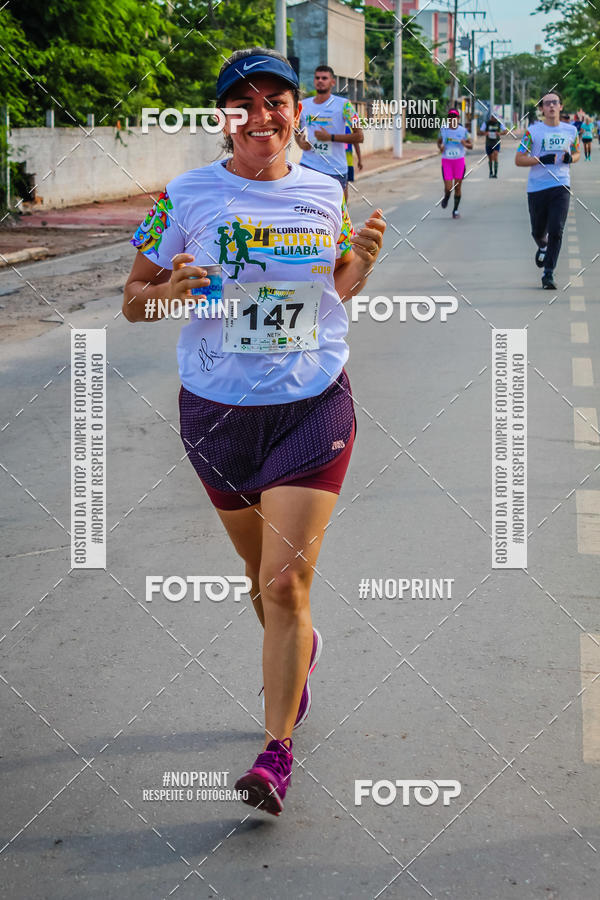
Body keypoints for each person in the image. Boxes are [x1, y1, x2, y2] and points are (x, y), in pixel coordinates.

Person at [123, 46, 385, 817]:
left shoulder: (326, 191)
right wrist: (168, 288)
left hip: (313, 403)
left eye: (278, 100)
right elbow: (134, 301)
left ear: (298, 111)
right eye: (245, 102)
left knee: (284, 581)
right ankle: (297, 647)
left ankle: (275, 752)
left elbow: (332, 292)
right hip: (216, 413)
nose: (263, 115)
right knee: (258, 580)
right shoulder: (178, 197)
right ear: (224, 118)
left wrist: (358, 267)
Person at [515, 90, 580, 290]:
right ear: (542, 109)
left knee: (556, 230)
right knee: (537, 231)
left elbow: (576, 152)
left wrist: (572, 159)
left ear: (561, 106)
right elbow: (519, 159)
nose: (551, 106)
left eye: (555, 102)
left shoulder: (571, 131)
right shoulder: (533, 132)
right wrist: (539, 160)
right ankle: (542, 246)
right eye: (547, 103)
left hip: (561, 185)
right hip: (537, 188)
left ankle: (548, 273)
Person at [295, 65, 363, 198]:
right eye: (317, 78)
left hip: (335, 169)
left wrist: (330, 137)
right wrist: (299, 141)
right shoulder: (303, 105)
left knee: (339, 213)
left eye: (324, 78)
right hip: (308, 166)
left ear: (332, 82)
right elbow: (296, 128)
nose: (320, 80)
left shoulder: (345, 105)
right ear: (314, 81)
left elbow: (359, 136)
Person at [437, 109, 473, 218]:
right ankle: (447, 197)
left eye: (455, 117)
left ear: (458, 119)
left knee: (457, 187)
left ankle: (455, 210)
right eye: (450, 117)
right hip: (447, 161)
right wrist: (440, 147)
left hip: (459, 162)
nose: (452, 119)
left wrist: (464, 143)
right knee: (448, 188)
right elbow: (439, 142)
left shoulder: (463, 131)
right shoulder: (443, 130)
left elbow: (471, 146)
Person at [479, 113, 507, 178]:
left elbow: (505, 131)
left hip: (496, 142)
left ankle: (495, 173)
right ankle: (491, 172)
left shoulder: (499, 123)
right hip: (488, 143)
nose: (494, 119)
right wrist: (486, 133)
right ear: (491, 117)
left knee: (495, 155)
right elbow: (481, 131)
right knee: (490, 158)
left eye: (495, 118)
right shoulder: (486, 123)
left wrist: (499, 133)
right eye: (493, 117)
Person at [344, 121, 363, 196]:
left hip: (343, 163)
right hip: (347, 163)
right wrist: (359, 160)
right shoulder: (350, 125)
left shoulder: (334, 124)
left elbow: (356, 143)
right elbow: (356, 144)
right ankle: (343, 206)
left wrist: (360, 160)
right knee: (345, 186)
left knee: (344, 187)